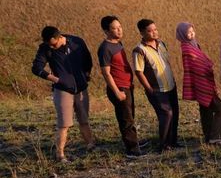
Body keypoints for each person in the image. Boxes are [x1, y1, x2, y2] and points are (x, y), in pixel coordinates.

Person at [32, 26, 95, 162]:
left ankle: (91, 145)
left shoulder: (76, 41)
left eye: (53, 44)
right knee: (64, 124)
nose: (52, 46)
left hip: (81, 87)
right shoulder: (45, 48)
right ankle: (60, 154)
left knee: (84, 119)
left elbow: (87, 59)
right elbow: (36, 68)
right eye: (49, 44)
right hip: (62, 90)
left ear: (60, 37)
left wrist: (86, 75)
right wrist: (55, 79)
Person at [97, 15, 144, 158]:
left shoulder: (118, 43)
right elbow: (106, 73)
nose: (119, 30)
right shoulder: (105, 48)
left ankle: (133, 142)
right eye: (114, 28)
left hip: (127, 86)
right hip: (119, 88)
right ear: (106, 31)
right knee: (126, 118)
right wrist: (116, 91)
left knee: (130, 116)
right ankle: (132, 150)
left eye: (120, 27)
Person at [176, 22, 221, 145]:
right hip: (202, 82)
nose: (192, 33)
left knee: (206, 110)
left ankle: (209, 137)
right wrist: (207, 68)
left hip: (203, 81)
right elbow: (195, 66)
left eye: (193, 30)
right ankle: (215, 137)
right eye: (189, 32)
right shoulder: (187, 48)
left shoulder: (194, 45)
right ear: (183, 34)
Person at [133, 19, 180, 152]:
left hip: (170, 86)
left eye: (155, 29)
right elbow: (138, 71)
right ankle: (163, 145)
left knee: (175, 113)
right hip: (156, 89)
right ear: (142, 33)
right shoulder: (139, 50)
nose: (154, 32)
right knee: (167, 114)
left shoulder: (161, 44)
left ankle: (173, 142)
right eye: (150, 30)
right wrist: (149, 88)